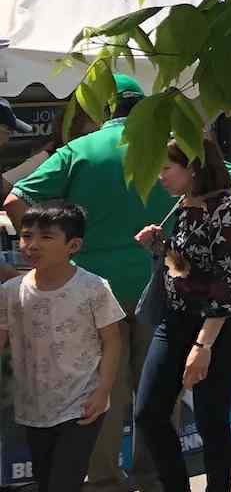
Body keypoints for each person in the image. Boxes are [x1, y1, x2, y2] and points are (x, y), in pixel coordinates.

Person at [5, 75, 164, 491]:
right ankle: (153, 478)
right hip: (162, 284)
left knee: (102, 389)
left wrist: (49, 253)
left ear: (102, 109)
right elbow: (230, 180)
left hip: (91, 291)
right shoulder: (170, 146)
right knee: (156, 389)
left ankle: (105, 481)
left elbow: (13, 200)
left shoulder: (79, 150)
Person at [133, 133, 231, 492]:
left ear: (193, 168)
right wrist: (160, 246)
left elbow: (228, 283)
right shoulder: (185, 206)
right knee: (149, 413)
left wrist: (203, 347)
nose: (159, 175)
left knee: (211, 421)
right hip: (176, 320)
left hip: (216, 328)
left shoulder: (229, 210)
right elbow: (187, 270)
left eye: (166, 168)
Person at [1, 202, 125, 491]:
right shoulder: (10, 292)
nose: (31, 245)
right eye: (26, 236)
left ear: (73, 245)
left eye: (45, 237)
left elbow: (112, 341)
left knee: (63, 484)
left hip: (82, 404)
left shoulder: (93, 288)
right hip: (33, 405)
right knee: (46, 482)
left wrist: (102, 391)